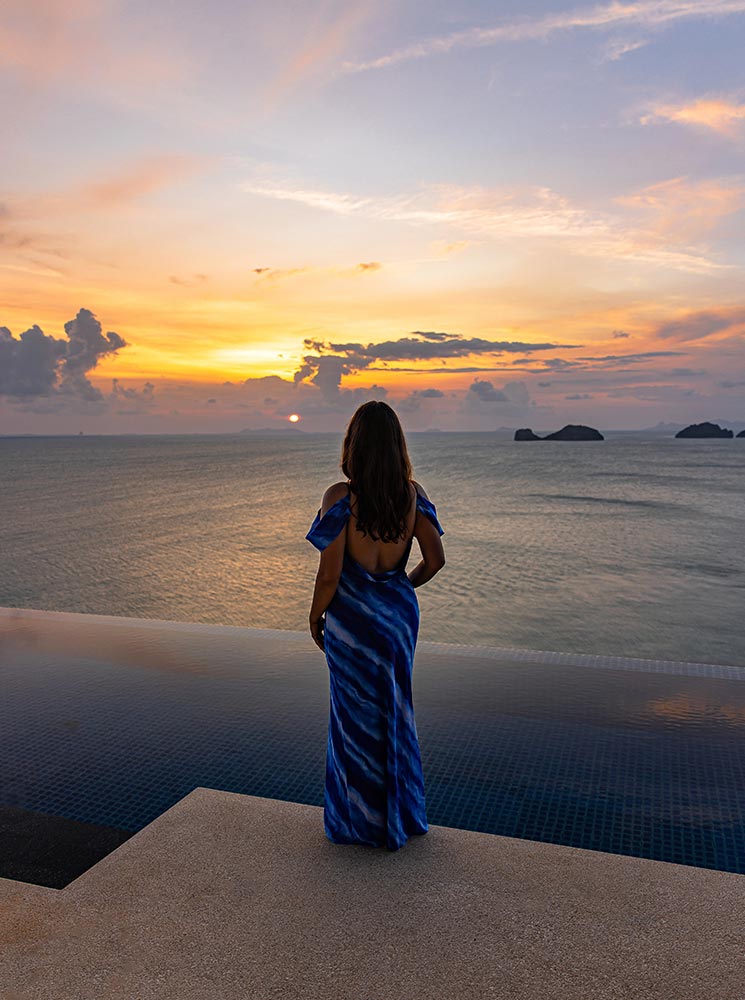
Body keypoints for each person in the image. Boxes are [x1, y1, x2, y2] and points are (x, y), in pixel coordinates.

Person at [306, 400, 445, 851]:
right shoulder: (412, 495)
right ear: (397, 447)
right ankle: (399, 819)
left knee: (351, 721)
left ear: (355, 445)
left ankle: (357, 823)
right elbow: (435, 559)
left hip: (352, 622)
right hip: (398, 618)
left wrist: (314, 616)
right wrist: (402, 587)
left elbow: (329, 574)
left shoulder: (340, 498)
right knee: (396, 712)